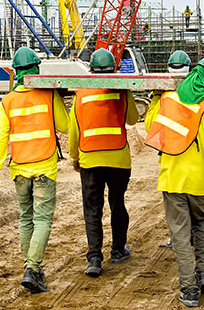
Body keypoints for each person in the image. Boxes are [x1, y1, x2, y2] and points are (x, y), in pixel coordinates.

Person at [144, 53, 204, 308]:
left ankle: (189, 290)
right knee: (202, 224)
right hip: (199, 180)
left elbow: (151, 127)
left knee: (180, 235)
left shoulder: (170, 97)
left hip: (171, 178)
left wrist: (155, 99)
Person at [0, 47, 69, 294]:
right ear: (37, 68)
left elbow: (0, 136)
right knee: (42, 219)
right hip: (44, 167)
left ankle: (31, 266)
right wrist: (57, 96)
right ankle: (32, 269)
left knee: (26, 219)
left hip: (19, 171)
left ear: (16, 72)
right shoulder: (47, 94)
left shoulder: (8, 100)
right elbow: (65, 126)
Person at [69, 48, 139, 278]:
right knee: (117, 203)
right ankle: (118, 250)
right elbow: (132, 120)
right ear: (113, 69)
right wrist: (126, 93)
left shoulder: (81, 95)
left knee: (92, 209)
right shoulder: (120, 90)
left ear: (91, 70)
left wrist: (75, 157)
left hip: (90, 158)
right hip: (118, 158)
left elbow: (74, 131)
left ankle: (94, 258)